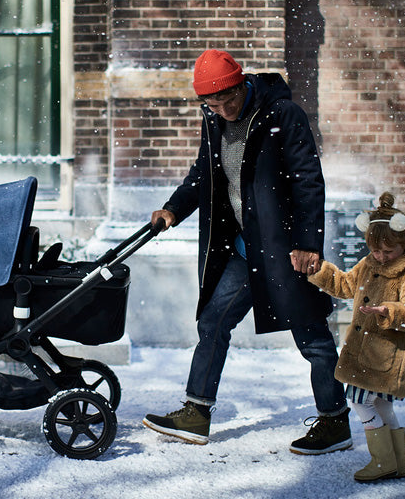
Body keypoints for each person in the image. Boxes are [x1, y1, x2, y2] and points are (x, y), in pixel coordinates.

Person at [142, 49, 351, 454]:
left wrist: (308, 244)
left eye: (228, 100)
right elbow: (203, 173)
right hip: (241, 247)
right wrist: (173, 208)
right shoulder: (214, 120)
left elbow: (309, 180)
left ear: (242, 84)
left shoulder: (282, 115)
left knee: (312, 336)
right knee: (213, 321)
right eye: (213, 104)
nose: (223, 110)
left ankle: (334, 421)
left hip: (284, 247)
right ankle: (197, 412)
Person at [307, 192, 405, 481]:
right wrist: (320, 272)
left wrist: (389, 311)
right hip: (364, 353)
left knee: (361, 402)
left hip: (384, 356)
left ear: (404, 243)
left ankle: (382, 460)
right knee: (381, 405)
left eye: (388, 252)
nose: (381, 257)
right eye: (376, 251)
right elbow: (346, 285)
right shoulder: (368, 265)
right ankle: (398, 462)